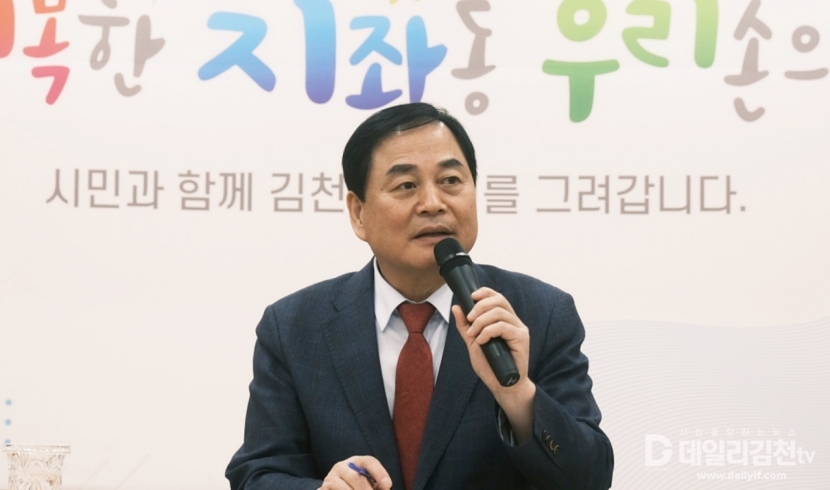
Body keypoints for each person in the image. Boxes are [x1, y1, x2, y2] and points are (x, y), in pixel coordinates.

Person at [226, 103, 613, 490]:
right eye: (406, 186)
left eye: (450, 180)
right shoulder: (294, 327)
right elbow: (257, 475)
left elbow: (591, 479)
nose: (433, 203)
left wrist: (517, 396)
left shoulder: (539, 314)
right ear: (358, 213)